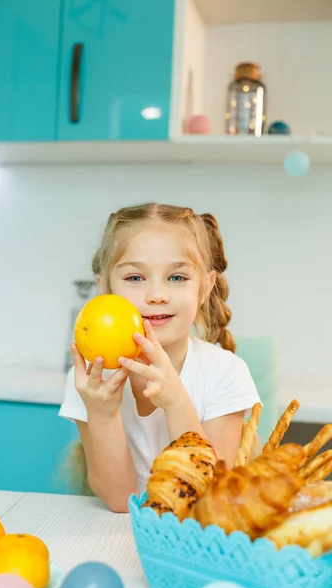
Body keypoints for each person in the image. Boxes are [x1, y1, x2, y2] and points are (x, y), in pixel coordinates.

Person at [59, 203, 261, 512]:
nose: (156, 294)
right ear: (104, 286)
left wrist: (176, 401)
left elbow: (210, 495)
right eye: (136, 278)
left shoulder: (225, 372)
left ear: (205, 287)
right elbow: (119, 499)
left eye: (177, 278)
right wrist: (102, 413)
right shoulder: (90, 380)